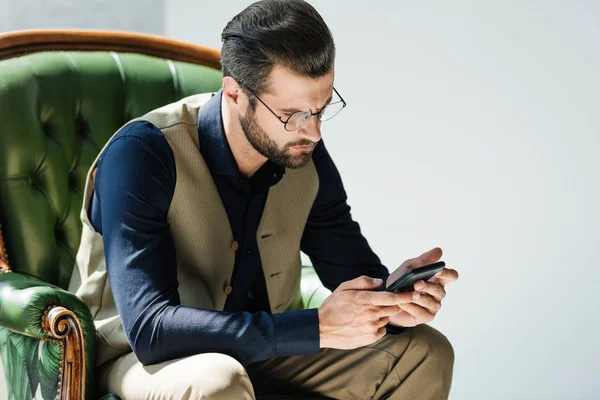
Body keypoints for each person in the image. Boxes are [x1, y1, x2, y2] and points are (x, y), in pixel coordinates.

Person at [70, 0, 459, 398]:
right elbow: (150, 329)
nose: (314, 132)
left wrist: (397, 301)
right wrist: (316, 328)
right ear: (235, 92)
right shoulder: (141, 154)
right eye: (293, 115)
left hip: (265, 348)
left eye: (321, 109)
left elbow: (350, 269)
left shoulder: (302, 152)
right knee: (217, 381)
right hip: (140, 357)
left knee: (425, 351)